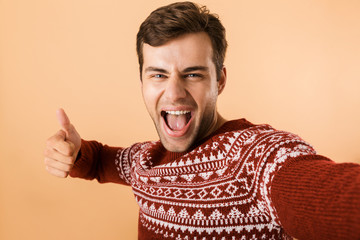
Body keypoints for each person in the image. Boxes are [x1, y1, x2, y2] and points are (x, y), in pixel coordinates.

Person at [44, 2, 360, 240]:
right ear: (142, 81)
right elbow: (101, 161)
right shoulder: (145, 159)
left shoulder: (257, 158)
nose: (174, 92)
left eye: (193, 74)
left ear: (219, 81)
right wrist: (75, 154)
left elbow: (332, 195)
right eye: (158, 75)